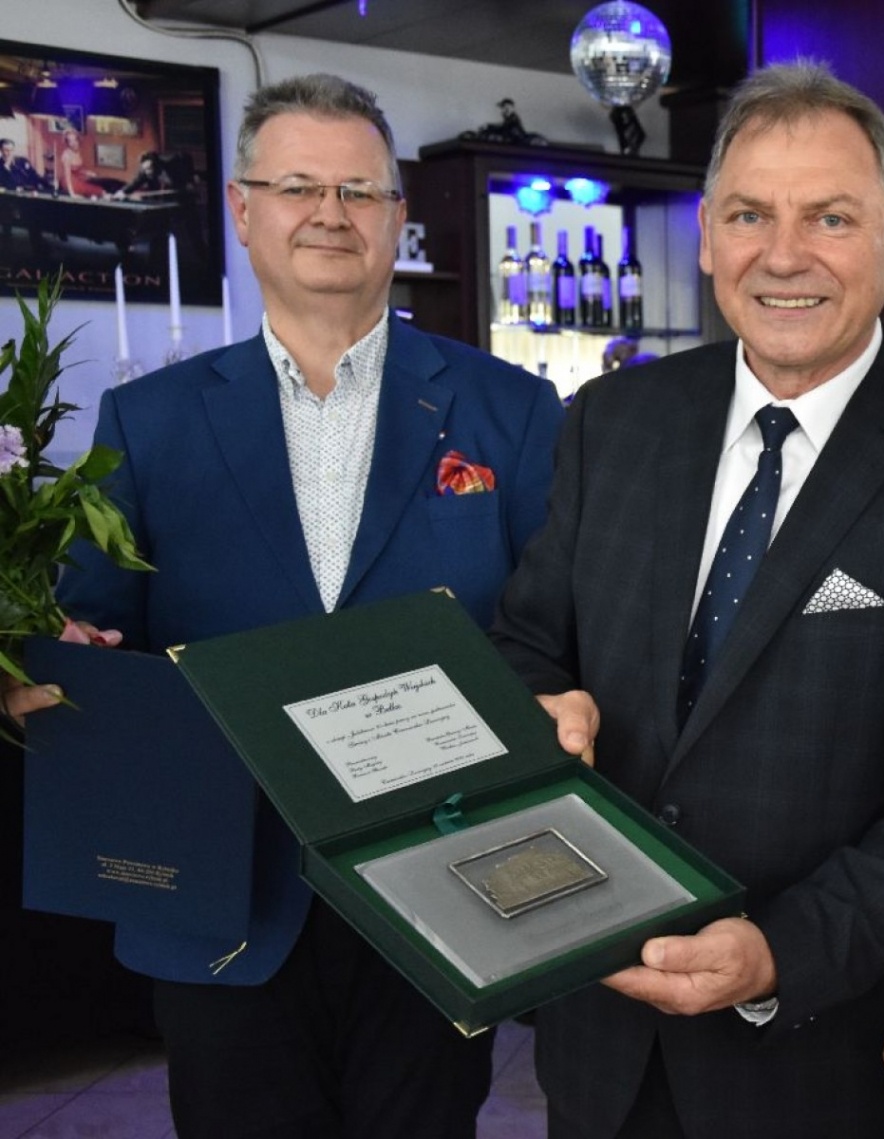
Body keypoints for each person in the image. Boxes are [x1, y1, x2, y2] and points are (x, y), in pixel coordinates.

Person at [490, 61, 884, 1139]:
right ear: (708, 236)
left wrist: (775, 953)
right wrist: (537, 705)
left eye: (831, 218)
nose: (783, 254)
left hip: (825, 1062)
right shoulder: (610, 422)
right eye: (750, 214)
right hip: (597, 1039)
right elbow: (526, 643)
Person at [4, 74, 564, 1138]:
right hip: (224, 897)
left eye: (360, 191)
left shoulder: (514, 410)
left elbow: (552, 626)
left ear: (397, 216)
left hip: (441, 888)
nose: (330, 213)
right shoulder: (148, 421)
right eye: (299, 186)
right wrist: (57, 662)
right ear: (243, 209)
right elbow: (96, 628)